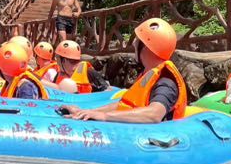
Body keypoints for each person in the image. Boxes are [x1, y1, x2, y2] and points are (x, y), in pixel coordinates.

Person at [59, 18, 187, 124]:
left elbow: (155, 114)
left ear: (146, 47)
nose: (134, 45)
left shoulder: (165, 82)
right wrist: (87, 111)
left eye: (138, 41)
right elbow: (124, 105)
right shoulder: (147, 76)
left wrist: (104, 117)